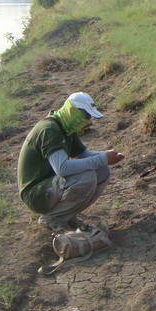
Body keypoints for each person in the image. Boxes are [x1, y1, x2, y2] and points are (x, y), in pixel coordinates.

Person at [17, 92, 125, 232]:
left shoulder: (65, 127)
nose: (87, 120)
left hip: (49, 186)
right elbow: (62, 168)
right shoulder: (49, 129)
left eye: (89, 117)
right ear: (72, 110)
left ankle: (66, 215)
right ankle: (53, 218)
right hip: (36, 194)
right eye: (85, 116)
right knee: (87, 177)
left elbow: (83, 155)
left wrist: (106, 156)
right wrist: (102, 158)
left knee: (102, 170)